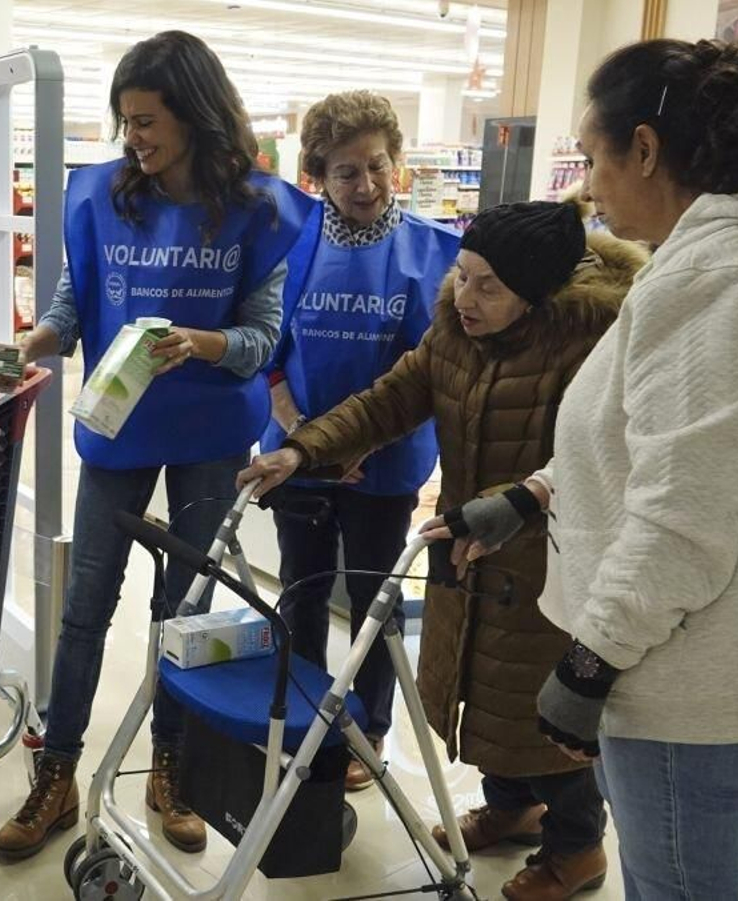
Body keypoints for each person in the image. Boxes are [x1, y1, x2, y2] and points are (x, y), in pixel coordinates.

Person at [425, 39, 738, 900]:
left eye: (593, 154)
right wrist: (534, 494)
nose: (587, 183)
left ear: (645, 149)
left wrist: (590, 662)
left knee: (679, 884)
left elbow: (686, 510)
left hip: (687, 673)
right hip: (729, 646)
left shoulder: (723, 275)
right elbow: (658, 440)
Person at [242, 201, 648, 900]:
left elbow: (602, 457)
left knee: (539, 707)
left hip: (552, 556)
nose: (465, 297)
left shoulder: (591, 344)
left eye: (488, 285)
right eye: (461, 276)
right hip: (468, 547)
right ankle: (514, 805)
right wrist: (301, 449)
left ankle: (577, 847)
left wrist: (513, 503)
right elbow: (387, 401)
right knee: (474, 688)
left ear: (537, 292)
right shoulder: (455, 334)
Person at [0, 30, 313, 860]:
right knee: (85, 607)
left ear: (196, 114)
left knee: (180, 614)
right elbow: (71, 305)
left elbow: (263, 338)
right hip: (116, 428)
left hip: (209, 432)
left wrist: (201, 344)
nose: (136, 136)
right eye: (126, 120)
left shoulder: (256, 212)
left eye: (149, 119)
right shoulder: (106, 198)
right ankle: (57, 773)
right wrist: (31, 343)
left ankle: (171, 767)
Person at [260, 91, 460, 791]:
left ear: (396, 163)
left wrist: (363, 445)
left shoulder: (437, 253)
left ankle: (367, 730)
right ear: (316, 175)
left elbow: (435, 368)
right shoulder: (292, 243)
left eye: (377, 165)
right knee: (302, 591)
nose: (366, 185)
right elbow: (268, 348)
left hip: (387, 460)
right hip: (298, 454)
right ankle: (304, 711)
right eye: (346, 172)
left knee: (375, 598)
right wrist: (298, 431)